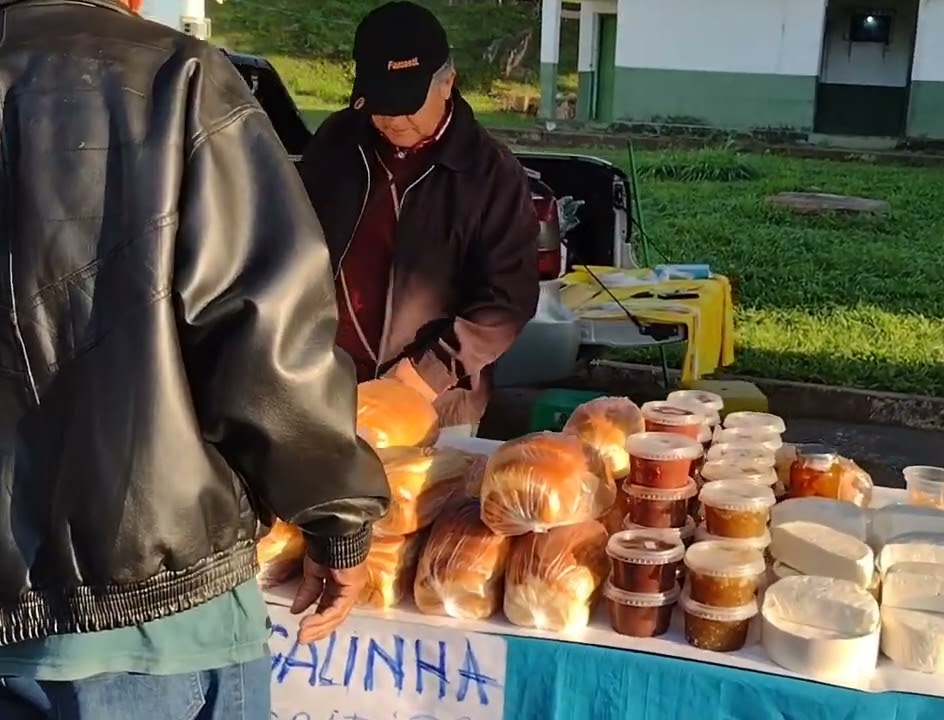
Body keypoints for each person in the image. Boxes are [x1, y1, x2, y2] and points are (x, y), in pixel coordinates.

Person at [0, 0, 392, 718]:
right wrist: (337, 524)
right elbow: (267, 339)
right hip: (148, 618)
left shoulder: (181, 83)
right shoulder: (178, 80)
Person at [300, 1, 541, 440]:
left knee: (423, 505)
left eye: (408, 105)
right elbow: (293, 244)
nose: (394, 120)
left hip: (437, 401)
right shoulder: (338, 143)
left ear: (448, 83)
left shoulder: (490, 174)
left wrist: (426, 371)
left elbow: (508, 299)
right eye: (381, 105)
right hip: (331, 389)